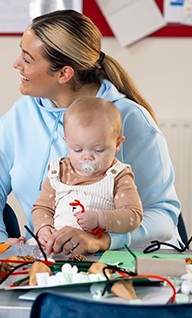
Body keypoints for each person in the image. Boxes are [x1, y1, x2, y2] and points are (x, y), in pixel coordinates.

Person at [0, 9, 180, 257]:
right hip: (49, 262)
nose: (17, 64)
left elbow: (163, 215)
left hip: (126, 261)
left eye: (27, 59)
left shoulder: (130, 119)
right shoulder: (20, 115)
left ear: (64, 73)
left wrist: (104, 240)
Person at [32, 97, 143, 248]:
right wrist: (43, 228)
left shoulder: (118, 175)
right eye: (77, 149)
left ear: (117, 144)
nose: (87, 157)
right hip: (56, 248)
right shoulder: (58, 171)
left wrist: (100, 219)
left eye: (98, 150)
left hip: (96, 251)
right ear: (66, 142)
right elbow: (42, 207)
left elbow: (133, 215)